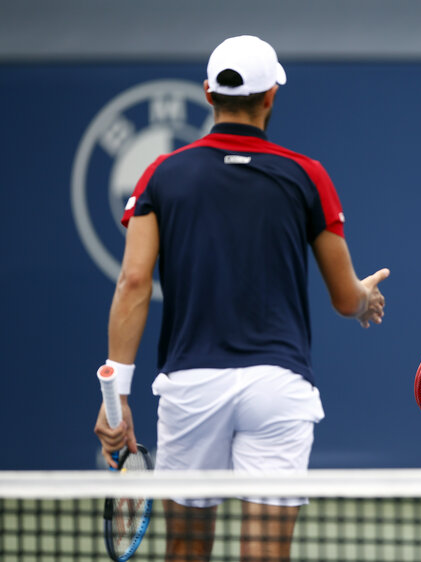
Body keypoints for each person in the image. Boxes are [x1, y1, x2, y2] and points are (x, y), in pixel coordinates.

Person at [93, 35, 390, 561]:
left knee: (186, 548)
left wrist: (115, 398)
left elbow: (133, 283)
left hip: (192, 387)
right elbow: (346, 299)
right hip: (278, 387)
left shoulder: (162, 174)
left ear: (209, 93)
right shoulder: (307, 175)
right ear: (271, 96)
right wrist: (365, 297)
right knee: (265, 552)